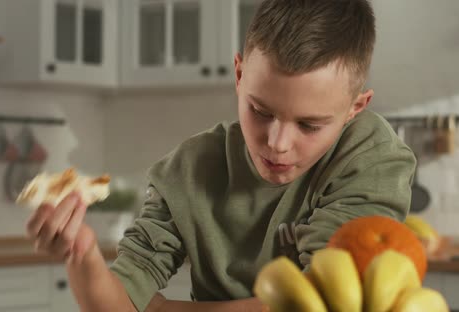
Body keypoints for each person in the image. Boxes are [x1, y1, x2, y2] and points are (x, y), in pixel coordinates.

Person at [26, 0, 416, 311]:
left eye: (310, 126)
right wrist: (83, 255)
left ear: (355, 108)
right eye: (260, 112)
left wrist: (163, 309)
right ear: (238, 74)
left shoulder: (370, 155)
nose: (278, 143)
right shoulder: (187, 170)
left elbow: (322, 303)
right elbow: (118, 302)